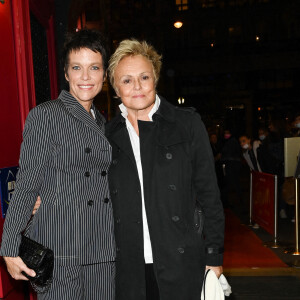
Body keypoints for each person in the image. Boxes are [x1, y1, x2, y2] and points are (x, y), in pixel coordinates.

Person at [0, 29, 115, 299]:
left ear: (104, 75)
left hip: (103, 247)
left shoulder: (105, 124)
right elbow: (27, 184)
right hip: (63, 246)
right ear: (66, 73)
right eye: (77, 67)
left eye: (94, 68)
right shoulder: (45, 116)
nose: (85, 77)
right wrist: (9, 246)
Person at [106, 39, 224, 300]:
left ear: (155, 78)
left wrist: (214, 255)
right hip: (129, 267)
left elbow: (209, 195)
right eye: (126, 80)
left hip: (181, 263)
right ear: (115, 87)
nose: (137, 86)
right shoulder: (106, 135)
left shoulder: (186, 124)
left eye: (144, 77)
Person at [220, 129, 243, 206]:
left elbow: (228, 152)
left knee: (232, 183)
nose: (226, 135)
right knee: (233, 183)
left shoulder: (232, 141)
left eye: (227, 133)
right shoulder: (226, 141)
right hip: (230, 164)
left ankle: (238, 201)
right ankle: (237, 200)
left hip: (232, 164)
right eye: (225, 133)